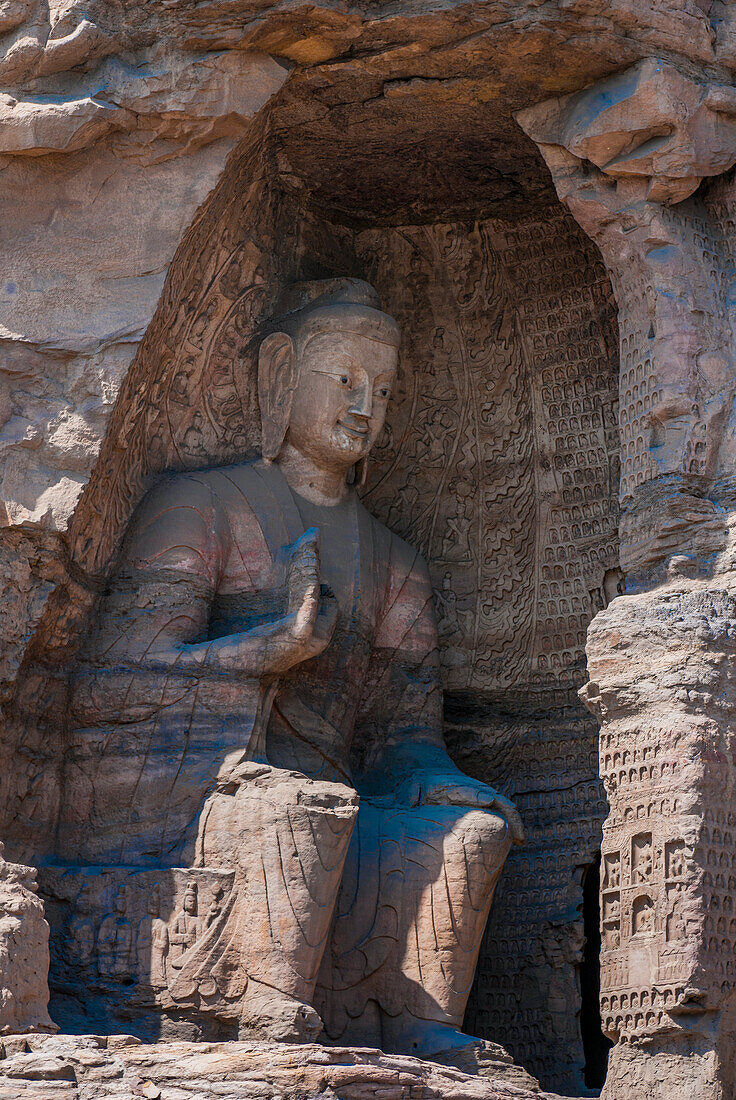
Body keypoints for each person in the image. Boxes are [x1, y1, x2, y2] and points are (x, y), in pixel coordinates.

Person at [57, 279, 522, 1054]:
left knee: (467, 833)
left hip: (330, 782)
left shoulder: (395, 561)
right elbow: (113, 676)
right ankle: (271, 1012)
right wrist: (264, 653)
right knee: (301, 810)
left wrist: (434, 773)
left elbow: (403, 731)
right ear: (279, 376)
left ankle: (418, 1023)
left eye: (383, 389)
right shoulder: (202, 503)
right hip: (197, 782)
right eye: (343, 380)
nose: (364, 405)